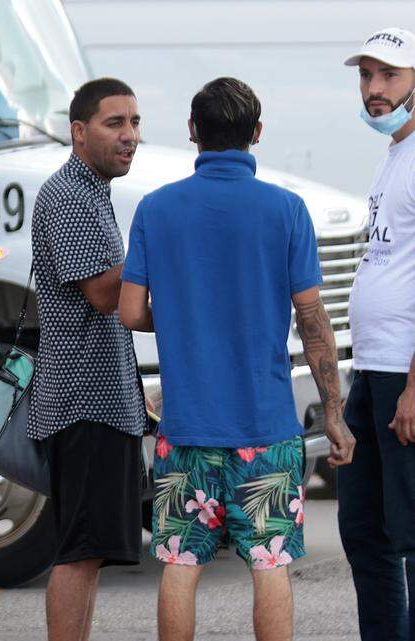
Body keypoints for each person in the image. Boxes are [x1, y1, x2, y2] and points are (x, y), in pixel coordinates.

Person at [118, 76, 355, 641]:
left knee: (180, 564)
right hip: (266, 429)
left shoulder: (156, 209)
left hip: (187, 429)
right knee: (270, 565)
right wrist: (335, 414)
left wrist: (181, 316)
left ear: (194, 131)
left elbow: (129, 313)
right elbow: (313, 320)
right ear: (257, 133)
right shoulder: (287, 210)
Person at [28, 77, 146, 641]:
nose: (130, 136)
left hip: (104, 401)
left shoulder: (92, 190)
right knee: (78, 552)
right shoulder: (71, 196)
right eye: (114, 123)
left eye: (135, 123)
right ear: (78, 132)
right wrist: (161, 239)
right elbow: (104, 294)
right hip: (85, 406)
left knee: (91, 552)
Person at [340, 27, 415, 641]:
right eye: (366, 76)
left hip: (404, 376)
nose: (373, 89)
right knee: (364, 530)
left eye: (387, 75)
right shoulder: (394, 156)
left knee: (413, 533)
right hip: (371, 369)